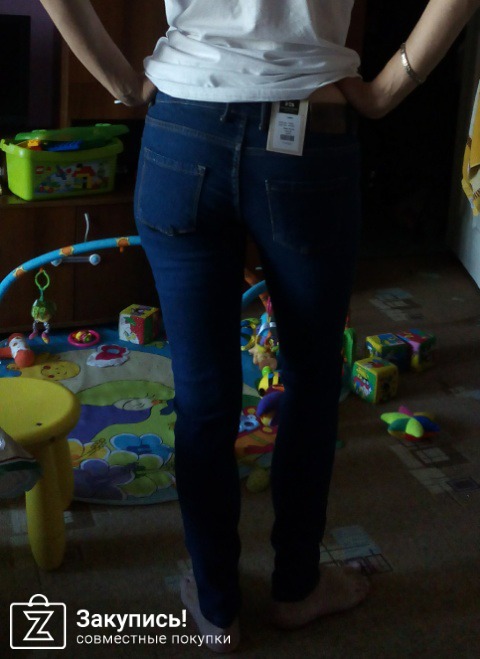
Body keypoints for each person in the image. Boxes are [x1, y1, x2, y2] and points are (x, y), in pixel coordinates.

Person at [39, 0, 480, 653]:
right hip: (309, 134)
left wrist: (124, 84)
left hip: (183, 125)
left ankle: (217, 609)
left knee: (203, 396)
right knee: (311, 382)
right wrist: (389, 88)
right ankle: (298, 589)